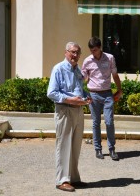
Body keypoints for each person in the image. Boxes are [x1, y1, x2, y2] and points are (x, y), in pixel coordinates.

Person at [47, 42, 91, 192]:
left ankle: (73, 178)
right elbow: (51, 93)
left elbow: (79, 89)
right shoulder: (58, 69)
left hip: (78, 110)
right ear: (66, 52)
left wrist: (86, 97)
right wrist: (70, 100)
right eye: (73, 52)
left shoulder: (77, 69)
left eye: (78, 53)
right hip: (65, 110)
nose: (75, 55)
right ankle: (62, 180)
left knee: (75, 146)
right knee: (64, 145)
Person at [81, 36, 123, 161]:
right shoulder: (87, 61)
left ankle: (112, 149)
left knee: (109, 122)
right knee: (96, 123)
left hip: (107, 94)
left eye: (95, 50)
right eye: (91, 50)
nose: (93, 53)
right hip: (93, 94)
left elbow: (115, 75)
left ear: (100, 48)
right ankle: (98, 149)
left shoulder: (109, 58)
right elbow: (83, 77)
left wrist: (119, 90)